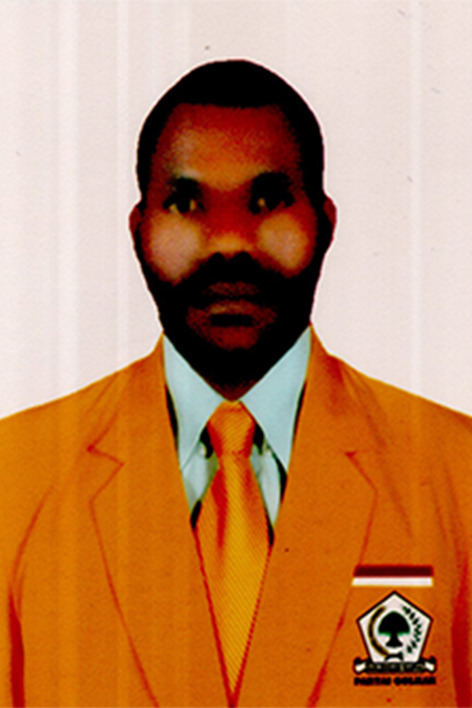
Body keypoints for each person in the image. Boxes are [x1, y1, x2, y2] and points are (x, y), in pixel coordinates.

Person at [0, 60, 471, 708]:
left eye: (267, 201)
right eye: (187, 203)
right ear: (139, 230)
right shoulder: (15, 481)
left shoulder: (456, 476)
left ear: (326, 224)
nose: (228, 242)